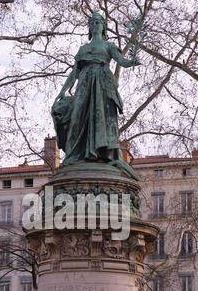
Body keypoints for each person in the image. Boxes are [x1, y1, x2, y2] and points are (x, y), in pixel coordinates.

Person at [52, 12, 140, 179]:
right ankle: (74, 155)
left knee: (102, 118)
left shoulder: (109, 46)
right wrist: (63, 91)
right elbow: (74, 72)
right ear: (89, 28)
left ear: (103, 26)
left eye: (98, 22)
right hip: (84, 84)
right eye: (92, 23)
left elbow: (121, 61)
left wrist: (132, 61)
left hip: (102, 83)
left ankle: (101, 153)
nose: (95, 25)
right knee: (77, 116)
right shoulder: (83, 49)